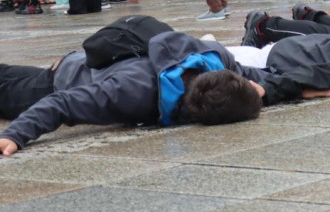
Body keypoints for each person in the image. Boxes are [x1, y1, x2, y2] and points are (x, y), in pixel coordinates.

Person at [0, 29, 268, 156]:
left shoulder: (216, 59)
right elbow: (61, 103)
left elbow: (260, 79)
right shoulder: (134, 92)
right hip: (60, 81)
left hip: (101, 67)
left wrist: (290, 86)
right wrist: (15, 134)